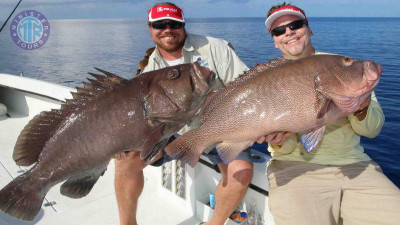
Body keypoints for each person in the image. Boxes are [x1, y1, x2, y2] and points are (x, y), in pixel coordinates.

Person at [114, 2, 253, 225]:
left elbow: (248, 88)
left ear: (183, 25)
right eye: (160, 24)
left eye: (173, 23)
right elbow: (142, 114)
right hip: (173, 132)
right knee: (125, 161)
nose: (167, 29)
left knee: (242, 171)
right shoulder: (150, 68)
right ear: (150, 28)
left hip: (220, 130)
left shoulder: (214, 48)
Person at [262, 3, 400, 225]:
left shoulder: (341, 65)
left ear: (309, 29)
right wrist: (278, 142)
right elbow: (286, 149)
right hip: (294, 170)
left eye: (296, 25)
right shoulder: (268, 79)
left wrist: (361, 105)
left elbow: (372, 130)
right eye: (279, 30)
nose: (288, 32)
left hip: (355, 166)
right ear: (275, 41)